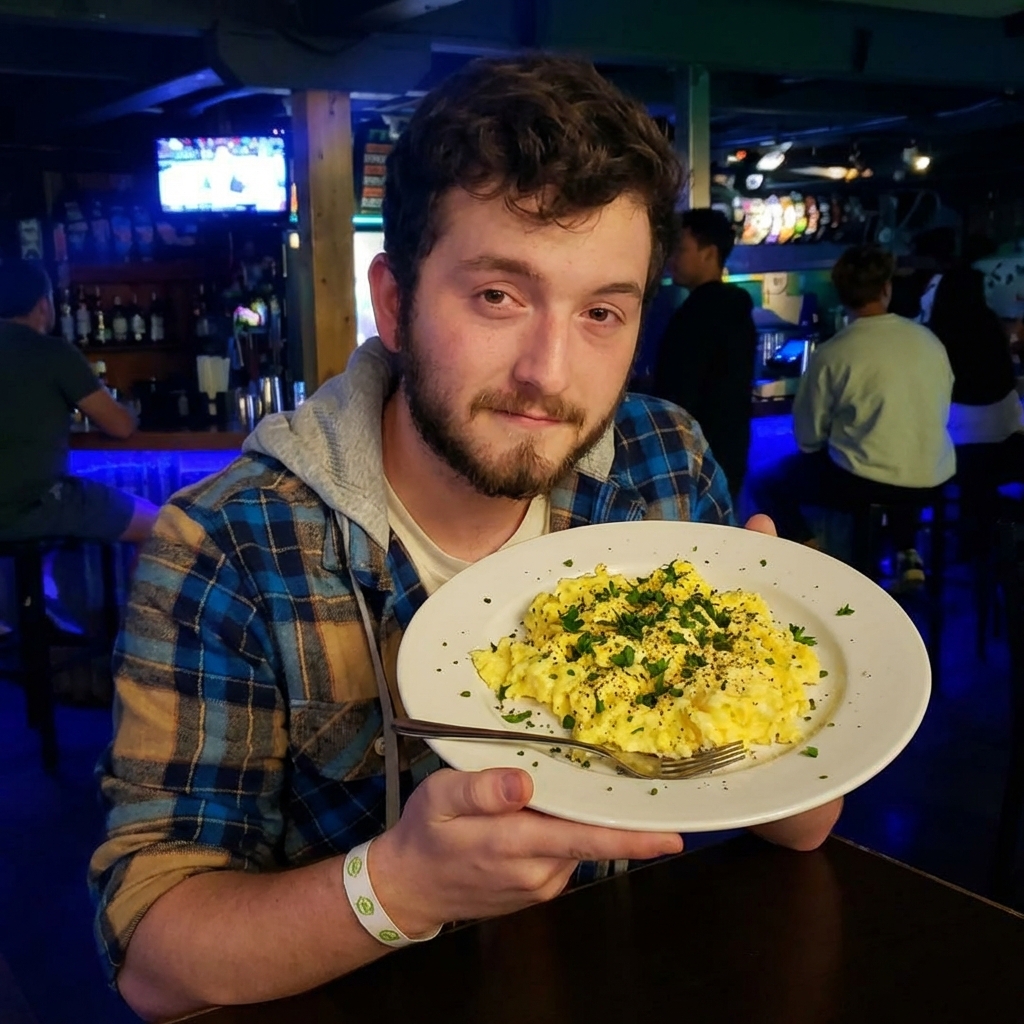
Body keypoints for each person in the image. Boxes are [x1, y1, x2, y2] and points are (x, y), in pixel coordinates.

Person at [90, 57, 843, 1021]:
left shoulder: (663, 458)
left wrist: (771, 664)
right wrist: (398, 889)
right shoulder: (232, 545)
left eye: (601, 312)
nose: (550, 373)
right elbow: (153, 952)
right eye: (498, 296)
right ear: (396, 304)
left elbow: (804, 829)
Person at [755, 245, 955, 588]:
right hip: (934, 477)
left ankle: (816, 555)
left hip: (866, 483)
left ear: (841, 294)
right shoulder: (928, 340)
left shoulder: (834, 353)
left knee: (767, 483)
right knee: (893, 458)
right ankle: (906, 549)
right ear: (886, 288)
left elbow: (807, 437)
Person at [0, 263, 158, 549]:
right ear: (44, 304)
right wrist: (132, 410)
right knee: (162, 527)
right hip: (34, 504)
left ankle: (43, 593)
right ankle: (134, 596)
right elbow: (120, 426)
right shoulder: (52, 352)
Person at [651, 208, 757, 500]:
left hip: (699, 453)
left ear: (709, 253)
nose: (672, 258)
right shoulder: (733, 308)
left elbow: (678, 391)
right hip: (728, 448)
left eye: (681, 249)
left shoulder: (701, 313)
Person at [928, 265, 1024, 550]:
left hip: (955, 452)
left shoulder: (936, 337)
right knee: (981, 476)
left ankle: (972, 537)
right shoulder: (991, 326)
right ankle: (987, 538)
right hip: (1007, 445)